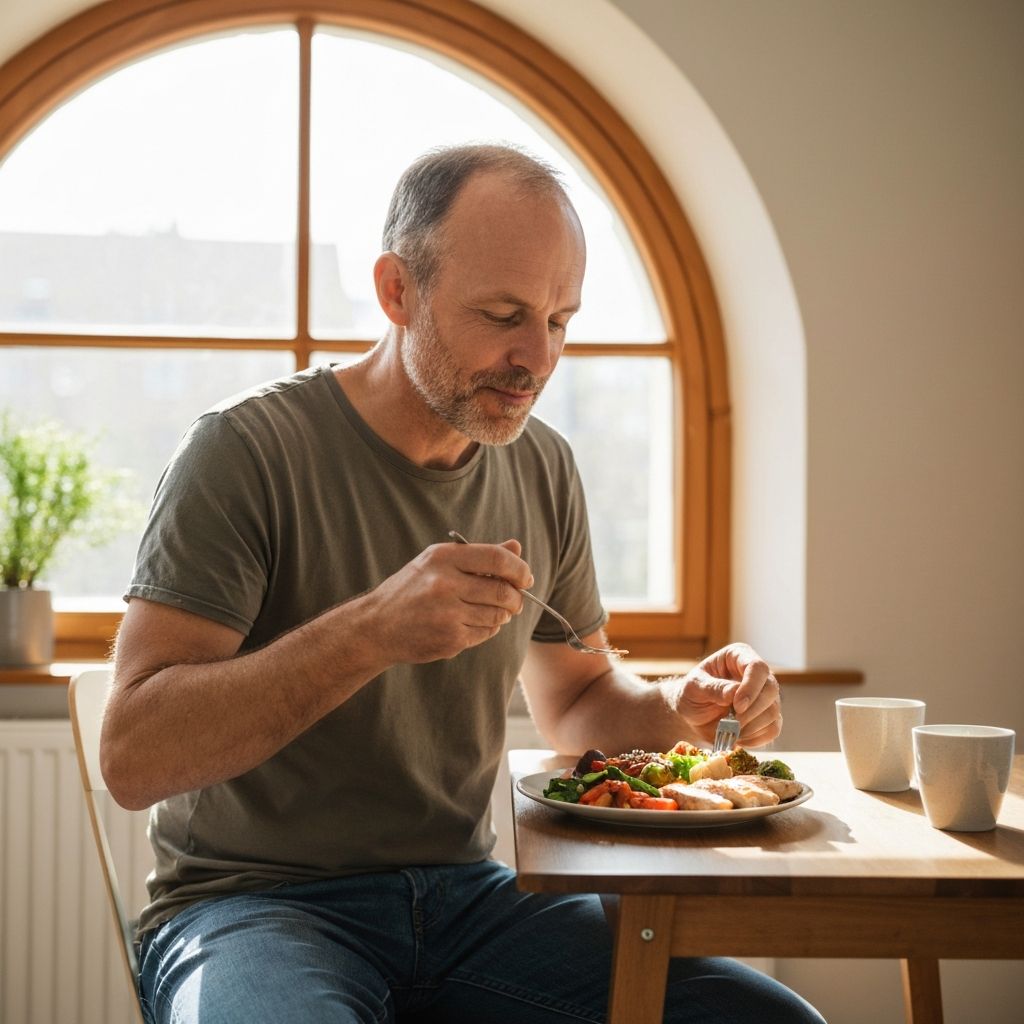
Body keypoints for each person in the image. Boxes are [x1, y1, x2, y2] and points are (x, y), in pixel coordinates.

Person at [103, 142, 824, 1024]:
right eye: (503, 314)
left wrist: (681, 703)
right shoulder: (244, 452)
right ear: (397, 291)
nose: (537, 357)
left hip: (472, 903)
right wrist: (369, 632)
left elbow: (579, 700)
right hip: (251, 904)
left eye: (559, 320)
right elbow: (133, 757)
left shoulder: (542, 465)